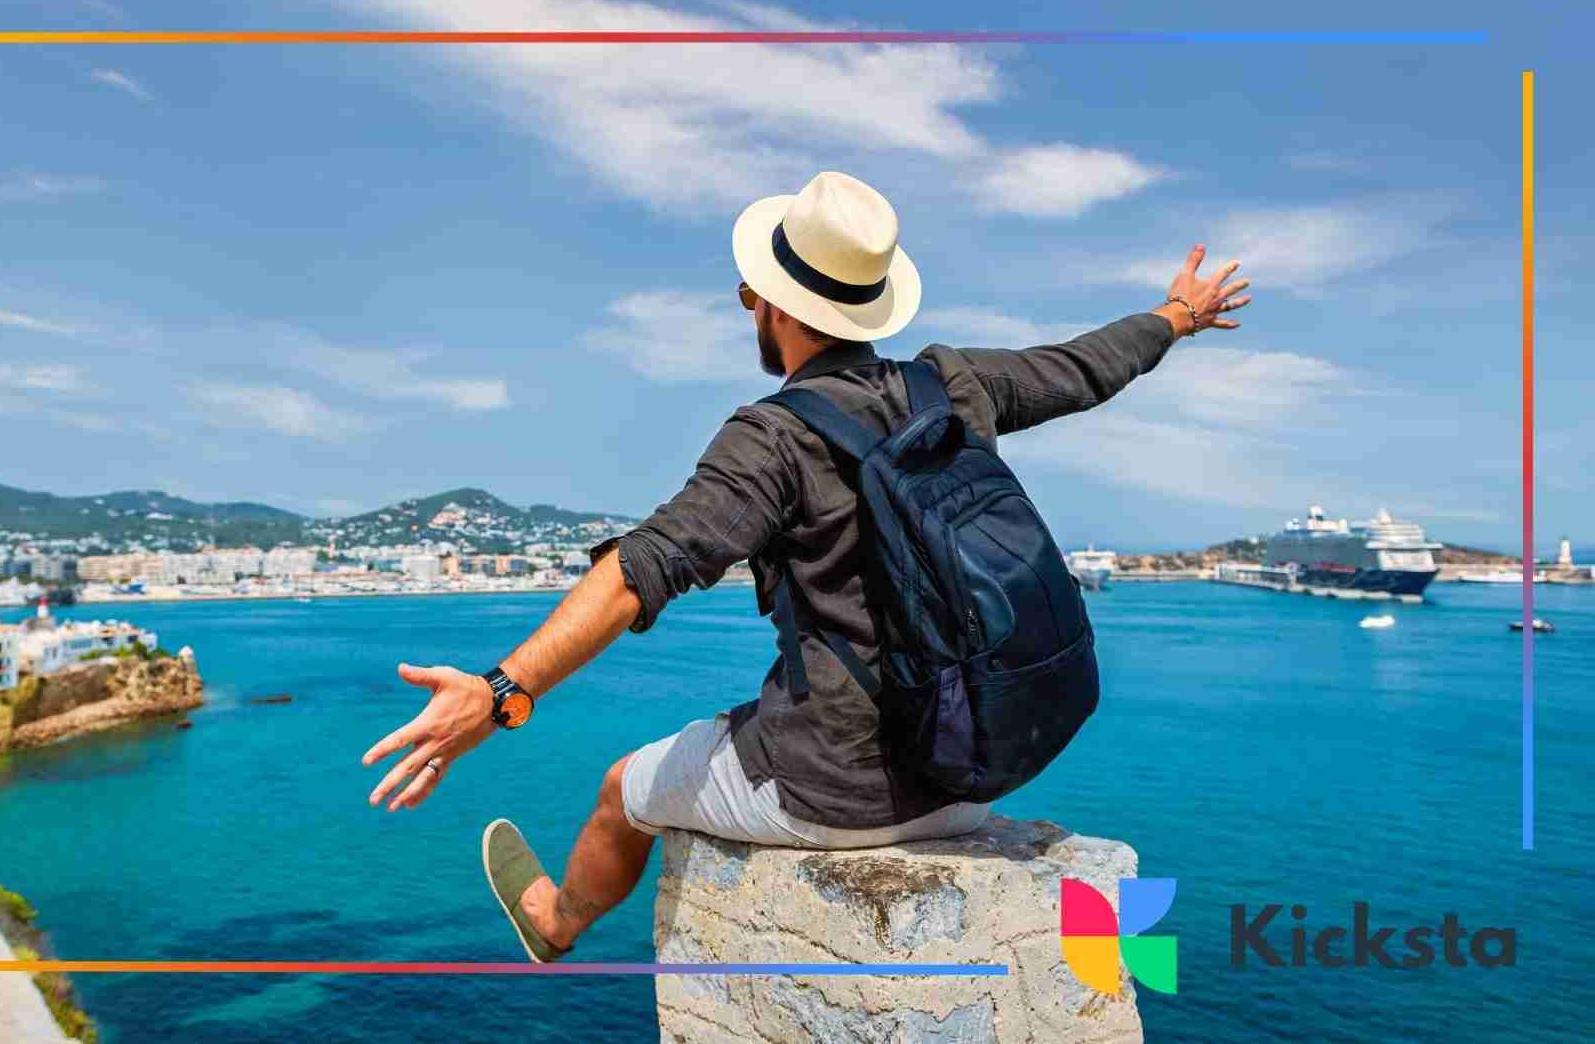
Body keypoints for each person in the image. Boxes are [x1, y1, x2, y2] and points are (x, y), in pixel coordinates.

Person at [362, 171, 1252, 961]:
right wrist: (1177, 316)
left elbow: (645, 567)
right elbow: (1083, 367)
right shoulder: (952, 386)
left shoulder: (774, 437)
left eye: (753, 294)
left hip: (836, 793)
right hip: (976, 771)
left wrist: (500, 691)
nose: (750, 305)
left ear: (777, 307)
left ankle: (555, 924)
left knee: (621, 792)